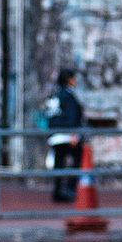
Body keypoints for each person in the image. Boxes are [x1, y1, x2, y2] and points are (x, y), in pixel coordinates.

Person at [43, 66, 85, 204]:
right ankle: (68, 189)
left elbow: (50, 116)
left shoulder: (55, 95)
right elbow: (73, 116)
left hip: (55, 136)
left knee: (59, 164)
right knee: (77, 160)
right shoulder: (68, 95)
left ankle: (58, 191)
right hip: (67, 135)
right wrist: (73, 134)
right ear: (69, 79)